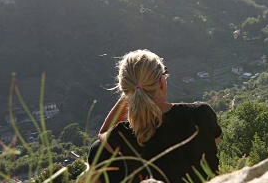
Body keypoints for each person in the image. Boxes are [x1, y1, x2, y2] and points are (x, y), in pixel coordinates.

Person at [87, 49, 222, 183]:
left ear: (126, 90)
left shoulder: (125, 135)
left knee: (98, 149)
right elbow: (215, 142)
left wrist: (129, 95)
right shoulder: (201, 113)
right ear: (162, 81)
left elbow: (104, 133)